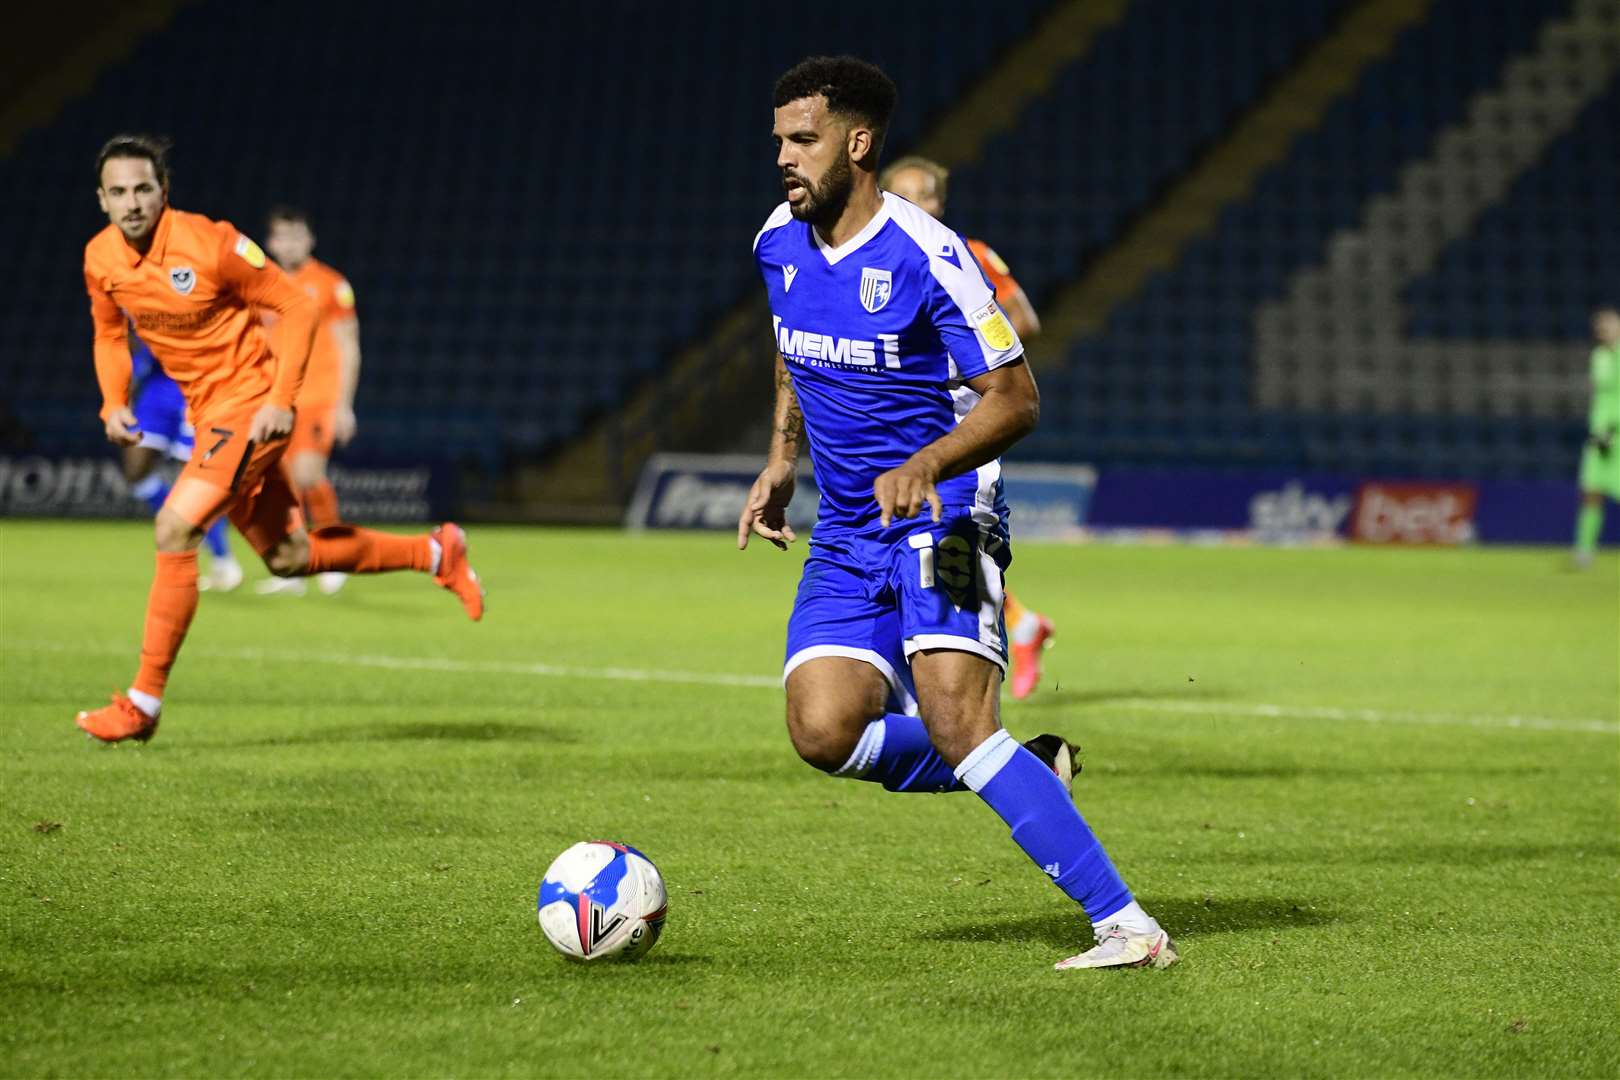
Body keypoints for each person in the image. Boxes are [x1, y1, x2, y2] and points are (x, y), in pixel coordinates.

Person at [738, 57, 1175, 970]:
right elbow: (790, 349)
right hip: (848, 531)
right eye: (779, 137)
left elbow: (1017, 398)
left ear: (857, 144)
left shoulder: (930, 256)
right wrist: (782, 459)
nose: (783, 155)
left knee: (959, 720)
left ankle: (1127, 927)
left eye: (802, 139)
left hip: (948, 516)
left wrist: (928, 461)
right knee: (822, 730)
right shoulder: (778, 240)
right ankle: (1029, 768)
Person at [75, 134, 484, 744]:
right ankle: (435, 553)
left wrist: (280, 399)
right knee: (289, 555)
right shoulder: (101, 259)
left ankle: (143, 704)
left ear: (165, 191)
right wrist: (112, 401)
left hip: (250, 407)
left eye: (143, 188)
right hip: (206, 411)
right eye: (118, 192)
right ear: (102, 199)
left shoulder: (211, 243)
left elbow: (296, 308)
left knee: (175, 527)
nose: (132, 202)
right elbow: (110, 336)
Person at [881, 156, 1053, 699]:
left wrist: (955, 361)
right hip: (898, 425)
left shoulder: (967, 254)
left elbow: (1022, 319)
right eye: (902, 193)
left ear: (940, 203)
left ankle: (958, 677)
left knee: (942, 537)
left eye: (925, 195)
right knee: (915, 543)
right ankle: (1018, 625)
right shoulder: (879, 257)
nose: (915, 204)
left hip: (956, 424)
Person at [257, 205, 360, 596]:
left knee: (307, 476)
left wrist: (344, 404)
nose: (289, 243)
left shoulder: (331, 284)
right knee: (282, 485)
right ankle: (296, 566)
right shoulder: (260, 283)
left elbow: (349, 346)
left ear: (310, 240)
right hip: (276, 400)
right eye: (282, 236)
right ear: (271, 242)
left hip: (318, 397)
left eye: (297, 235)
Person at [123, 332, 243, 591]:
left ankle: (222, 559)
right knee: (136, 472)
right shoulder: (128, 296)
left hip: (195, 385)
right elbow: (126, 341)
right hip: (157, 388)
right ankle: (181, 527)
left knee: (191, 481)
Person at [1574, 305, 1620, 567]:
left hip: (1619, 435)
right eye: (1600, 326)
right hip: (1599, 433)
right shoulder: (1599, 356)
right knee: (1591, 492)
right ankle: (1584, 551)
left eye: (1609, 324)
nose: (1604, 330)